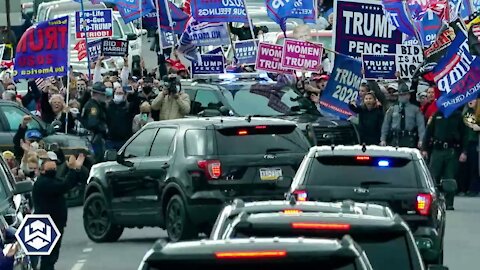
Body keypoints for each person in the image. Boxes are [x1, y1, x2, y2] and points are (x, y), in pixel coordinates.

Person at [32, 152, 85, 270]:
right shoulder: (42, 183)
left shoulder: (53, 179)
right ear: (42, 169)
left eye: (54, 165)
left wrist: (77, 169)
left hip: (56, 223)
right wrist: (73, 170)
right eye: (50, 165)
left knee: (52, 255)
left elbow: (70, 182)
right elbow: (64, 185)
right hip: (46, 224)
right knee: (48, 256)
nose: (53, 167)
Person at [422, 108, 466, 210]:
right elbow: (429, 132)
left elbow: (464, 134)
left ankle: (449, 202)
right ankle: (433, 202)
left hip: (452, 150)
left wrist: (464, 151)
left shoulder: (458, 116)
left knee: (449, 177)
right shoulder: (437, 114)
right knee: (433, 176)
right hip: (437, 150)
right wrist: (424, 148)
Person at [81, 82, 108, 163]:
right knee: (98, 159)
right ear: (97, 94)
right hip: (94, 138)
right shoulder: (93, 107)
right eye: (102, 94)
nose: (104, 96)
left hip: (94, 137)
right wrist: (103, 128)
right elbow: (92, 123)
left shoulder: (97, 105)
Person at [461, 99, 480, 196]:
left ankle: (474, 188)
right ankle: (464, 188)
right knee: (465, 166)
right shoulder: (466, 113)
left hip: (475, 142)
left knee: (474, 166)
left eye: (473, 99)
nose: (470, 101)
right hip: (466, 142)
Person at [106, 86, 133, 151]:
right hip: (110, 140)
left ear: (124, 95)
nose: (118, 95)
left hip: (124, 140)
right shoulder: (108, 107)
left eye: (120, 93)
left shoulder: (128, 107)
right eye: (117, 93)